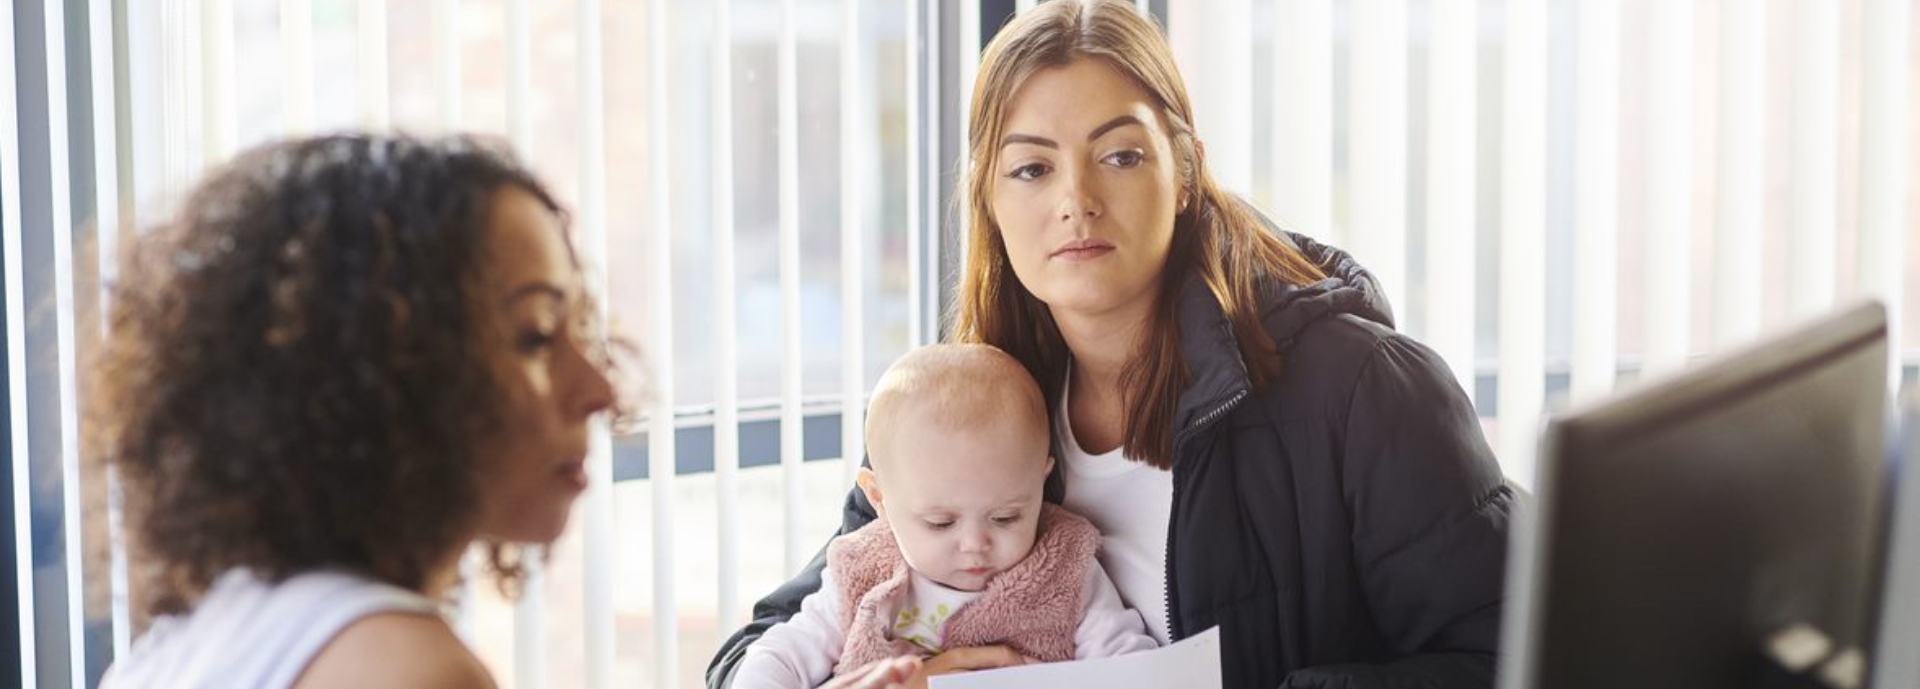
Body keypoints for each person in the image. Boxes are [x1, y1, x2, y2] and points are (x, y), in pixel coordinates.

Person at [710, 2, 1513, 688]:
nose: (1077, 201)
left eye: (1121, 156)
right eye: (1031, 169)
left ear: (1188, 169)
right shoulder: (957, 405)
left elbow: (1521, 657)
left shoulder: (1362, 390)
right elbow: (769, 643)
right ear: (988, 198)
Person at [91, 134, 919, 689]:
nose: (600, 387)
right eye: (533, 336)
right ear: (388, 377)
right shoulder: (407, 668)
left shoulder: (198, 635)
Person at [733, 344, 1158, 689]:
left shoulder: (1065, 569)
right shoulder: (863, 571)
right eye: (940, 523)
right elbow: (777, 656)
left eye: (1006, 517)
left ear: (1041, 481)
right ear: (879, 499)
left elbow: (1132, 669)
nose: (975, 544)